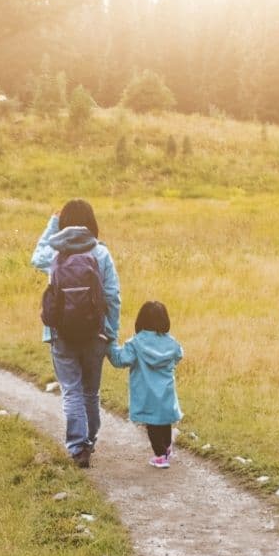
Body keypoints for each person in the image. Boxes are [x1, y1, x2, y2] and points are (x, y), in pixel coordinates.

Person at [31, 198, 120, 467]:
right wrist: (110, 332)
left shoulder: (55, 254)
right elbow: (112, 296)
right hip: (95, 333)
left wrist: (52, 223)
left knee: (71, 390)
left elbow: (35, 258)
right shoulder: (101, 253)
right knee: (90, 392)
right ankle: (89, 440)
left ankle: (77, 446)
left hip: (61, 334)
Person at [110, 301, 184, 468]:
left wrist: (110, 347)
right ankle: (167, 448)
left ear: (140, 321)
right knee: (165, 421)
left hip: (146, 392)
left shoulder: (135, 343)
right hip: (166, 391)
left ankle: (160, 456)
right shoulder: (171, 342)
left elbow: (122, 360)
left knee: (152, 426)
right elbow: (179, 355)